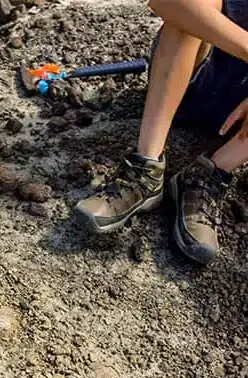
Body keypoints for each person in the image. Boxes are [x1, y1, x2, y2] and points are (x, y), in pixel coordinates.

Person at [74, 0, 248, 264]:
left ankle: (208, 174)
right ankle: (146, 168)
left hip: (238, 125)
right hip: (187, 80)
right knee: (189, 12)